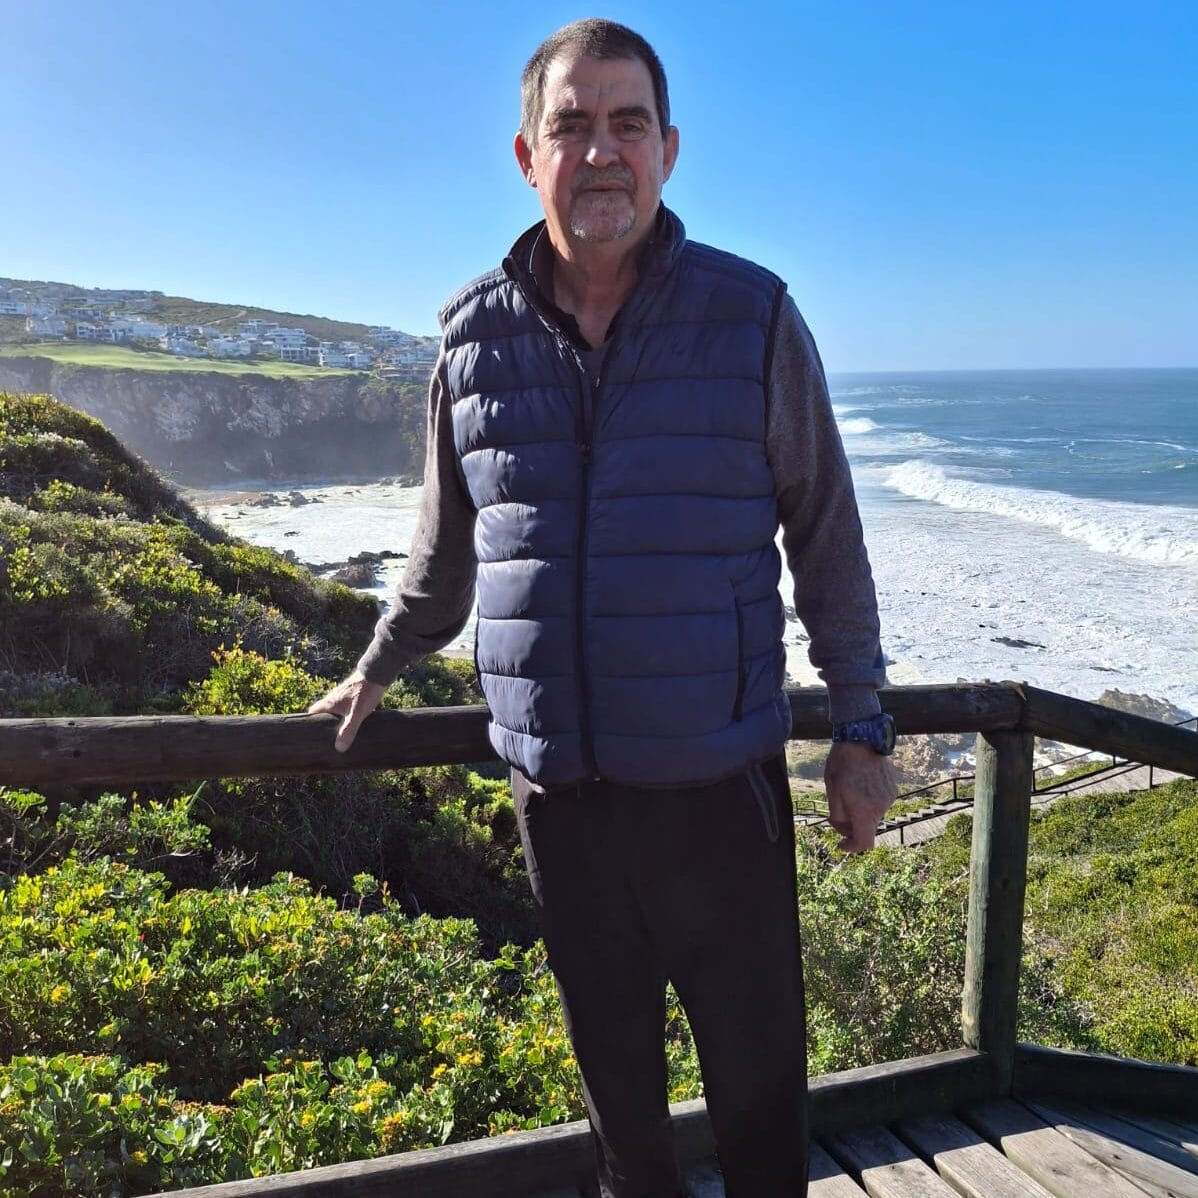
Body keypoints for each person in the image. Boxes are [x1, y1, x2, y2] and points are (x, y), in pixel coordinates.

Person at [309, 18, 897, 1198]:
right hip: (560, 807)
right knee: (623, 1125)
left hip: (720, 798)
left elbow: (826, 534)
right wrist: (378, 663)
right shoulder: (469, 339)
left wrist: (863, 724)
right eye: (570, 125)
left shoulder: (753, 318)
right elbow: (446, 550)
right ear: (526, 155)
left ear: (668, 150)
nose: (600, 151)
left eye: (627, 123)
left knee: (761, 1115)